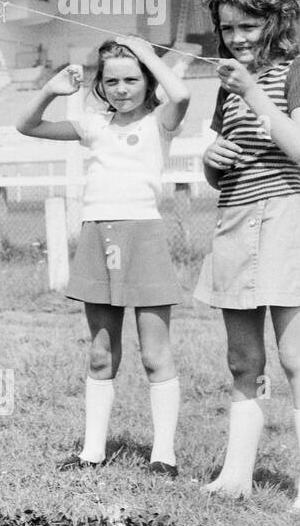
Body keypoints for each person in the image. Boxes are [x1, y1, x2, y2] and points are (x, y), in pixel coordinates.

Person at [16, 36, 191, 474]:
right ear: (101, 84)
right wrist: (51, 90)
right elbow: (27, 126)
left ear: (147, 81)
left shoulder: (160, 121)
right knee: (100, 352)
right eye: (112, 81)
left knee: (154, 354)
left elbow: (181, 95)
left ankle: (163, 456)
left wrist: (145, 52)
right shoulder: (94, 124)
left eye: (132, 79)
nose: (121, 89)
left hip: (144, 236)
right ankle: (91, 452)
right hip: (98, 235)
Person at [194, 0, 300, 511]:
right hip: (234, 217)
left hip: (283, 215)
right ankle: (236, 475)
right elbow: (222, 168)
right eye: (228, 28)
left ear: (276, 20)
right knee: (243, 359)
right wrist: (210, 160)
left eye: (248, 25)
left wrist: (252, 92)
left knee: (296, 357)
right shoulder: (230, 84)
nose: (237, 37)